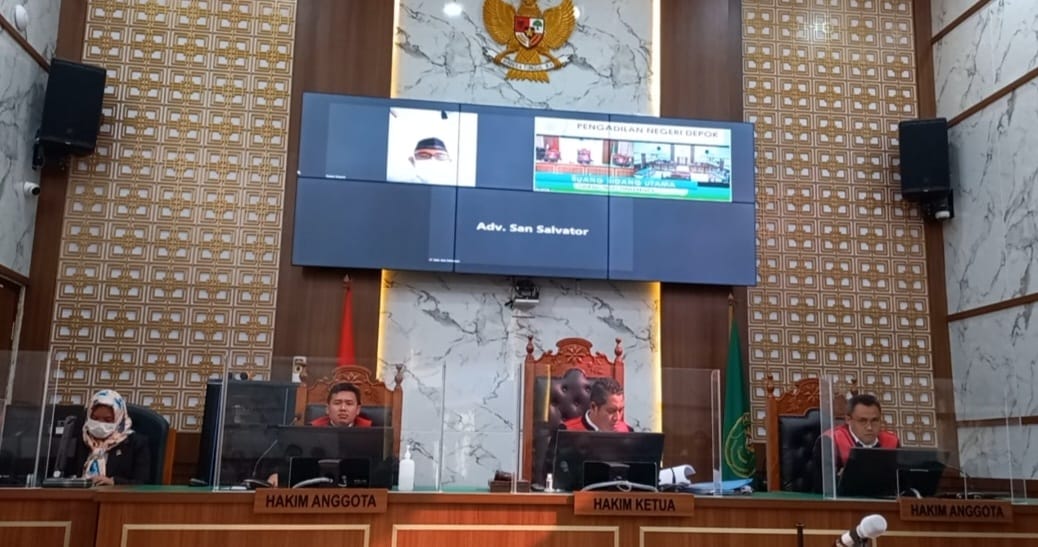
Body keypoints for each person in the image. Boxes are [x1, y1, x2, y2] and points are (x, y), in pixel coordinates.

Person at [813, 393, 901, 490]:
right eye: (862, 421)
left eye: (874, 420)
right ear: (848, 420)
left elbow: (901, 483)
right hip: (845, 498)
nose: (869, 427)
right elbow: (823, 487)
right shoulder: (830, 441)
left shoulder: (892, 442)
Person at [70, 389, 151, 485]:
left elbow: (141, 483)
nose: (100, 424)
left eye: (107, 420)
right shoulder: (79, 438)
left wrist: (113, 482)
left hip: (115, 494)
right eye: (95, 418)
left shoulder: (136, 443)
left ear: (119, 419)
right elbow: (65, 474)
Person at [561, 378, 632, 432]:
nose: (617, 418)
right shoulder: (566, 431)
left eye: (620, 410)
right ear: (593, 407)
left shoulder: (628, 431)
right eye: (611, 411)